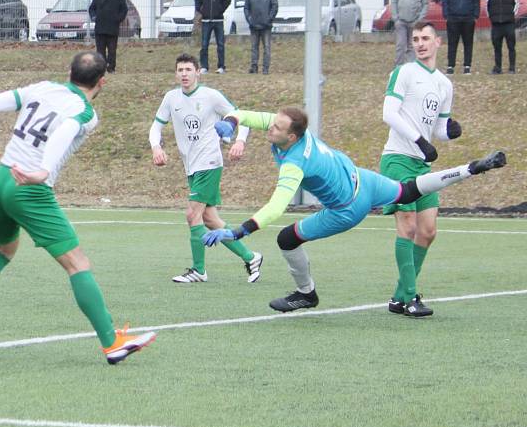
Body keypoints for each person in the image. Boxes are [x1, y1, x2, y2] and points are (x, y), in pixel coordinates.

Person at [0, 51, 156, 365]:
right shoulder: (86, 112)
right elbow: (64, 131)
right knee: (77, 263)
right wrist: (45, 170)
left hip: (0, 179)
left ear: (69, 71)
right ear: (102, 82)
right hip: (30, 188)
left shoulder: (42, 87)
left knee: (3, 250)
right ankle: (111, 342)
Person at [204, 107, 506, 313]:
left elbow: (276, 207)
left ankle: (306, 294)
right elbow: (245, 114)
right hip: (363, 179)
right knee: (409, 189)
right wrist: (230, 122)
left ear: (292, 137)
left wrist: (240, 230)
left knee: (286, 239)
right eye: (273, 122)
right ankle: (472, 168)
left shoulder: (295, 162)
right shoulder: (293, 128)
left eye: (277, 127)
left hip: (346, 209)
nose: (270, 127)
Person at [149, 53, 262, 283]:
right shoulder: (171, 98)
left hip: (209, 162)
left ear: (197, 72)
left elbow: (240, 116)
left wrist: (240, 140)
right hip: (191, 166)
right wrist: (156, 147)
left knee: (192, 215)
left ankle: (198, 270)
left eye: (188, 70)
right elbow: (156, 127)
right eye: (180, 70)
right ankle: (251, 257)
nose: (184, 74)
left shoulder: (211, 96)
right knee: (210, 219)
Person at [380, 21, 462, 317]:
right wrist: (418, 140)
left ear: (438, 42)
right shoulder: (403, 73)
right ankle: (412, 297)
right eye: (415, 39)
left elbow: (438, 128)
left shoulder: (444, 84)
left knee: (427, 231)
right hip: (398, 159)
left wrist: (450, 131)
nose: (420, 43)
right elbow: (388, 113)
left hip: (422, 165)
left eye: (425, 38)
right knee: (409, 225)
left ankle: (399, 296)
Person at [442, 0, 480, 74]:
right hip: (453, 19)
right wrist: (446, 15)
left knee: (468, 43)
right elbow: (445, 1)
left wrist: (475, 16)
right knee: (452, 43)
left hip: (468, 19)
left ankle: (467, 66)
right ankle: (450, 66)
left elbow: (476, 1)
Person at [88, 0, 128, 74]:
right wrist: (94, 17)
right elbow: (92, 8)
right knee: (100, 50)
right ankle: (101, 68)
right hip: (100, 27)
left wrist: (118, 19)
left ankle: (111, 68)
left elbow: (124, 9)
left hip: (112, 27)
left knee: (112, 50)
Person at [195, 0, 231, 74]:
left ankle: (221, 67)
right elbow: (197, 0)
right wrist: (202, 10)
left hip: (218, 20)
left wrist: (220, 10)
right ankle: (204, 67)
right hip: (206, 21)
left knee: (220, 44)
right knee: (204, 44)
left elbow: (227, 0)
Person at [391, 0, 428, 66]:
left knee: (413, 45)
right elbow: (393, 2)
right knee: (400, 45)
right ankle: (398, 67)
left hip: (414, 22)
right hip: (401, 21)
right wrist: (396, 18)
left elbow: (425, 4)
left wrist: (420, 19)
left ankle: (411, 66)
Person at [243, 0, 278, 74]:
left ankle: (265, 68)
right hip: (254, 26)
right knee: (254, 47)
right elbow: (246, 8)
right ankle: (254, 67)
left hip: (266, 26)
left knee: (266, 47)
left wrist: (269, 19)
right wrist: (249, 19)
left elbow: (274, 6)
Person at [487, 0, 517, 74]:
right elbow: (488, 6)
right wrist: (491, 17)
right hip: (496, 25)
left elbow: (516, 4)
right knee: (497, 47)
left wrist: (511, 16)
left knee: (511, 47)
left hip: (509, 24)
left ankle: (512, 68)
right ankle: (498, 67)